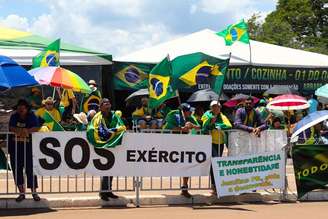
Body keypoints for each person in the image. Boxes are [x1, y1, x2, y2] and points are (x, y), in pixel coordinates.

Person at [87, 98, 126, 201]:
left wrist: (112, 131)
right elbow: (92, 129)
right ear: (100, 107)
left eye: (109, 103)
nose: (108, 105)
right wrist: (104, 134)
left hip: (113, 144)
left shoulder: (115, 116)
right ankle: (103, 192)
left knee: (111, 169)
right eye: (105, 103)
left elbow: (122, 126)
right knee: (105, 169)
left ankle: (108, 191)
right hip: (101, 145)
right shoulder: (97, 117)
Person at [162, 103, 200, 198]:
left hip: (185, 146)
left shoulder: (191, 117)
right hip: (169, 145)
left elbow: (199, 127)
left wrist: (192, 125)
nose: (191, 112)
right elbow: (168, 127)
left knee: (187, 166)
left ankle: (184, 188)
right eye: (188, 111)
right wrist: (181, 129)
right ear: (183, 111)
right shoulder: (173, 114)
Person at [8, 99, 41, 202]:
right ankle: (21, 193)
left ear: (27, 109)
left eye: (23, 108)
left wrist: (27, 131)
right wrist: (19, 131)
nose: (21, 109)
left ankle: (34, 192)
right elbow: (11, 128)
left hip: (29, 148)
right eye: (19, 107)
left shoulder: (32, 116)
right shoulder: (14, 116)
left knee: (31, 170)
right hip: (15, 148)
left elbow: (36, 127)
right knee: (17, 170)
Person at [201, 101, 232, 195]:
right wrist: (211, 122)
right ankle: (215, 185)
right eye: (214, 107)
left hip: (220, 143)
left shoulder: (222, 116)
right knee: (215, 161)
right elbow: (204, 128)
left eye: (217, 107)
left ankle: (215, 185)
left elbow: (229, 125)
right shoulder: (207, 115)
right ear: (211, 108)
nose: (216, 108)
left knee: (215, 163)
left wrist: (217, 125)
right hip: (210, 142)